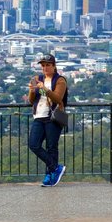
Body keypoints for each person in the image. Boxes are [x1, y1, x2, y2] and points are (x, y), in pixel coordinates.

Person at [26, 53, 69, 187]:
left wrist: (44, 89)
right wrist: (32, 91)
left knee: (52, 147)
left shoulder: (60, 80)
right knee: (33, 144)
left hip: (53, 117)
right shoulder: (36, 79)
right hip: (39, 116)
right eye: (43, 65)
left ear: (54, 66)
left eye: (48, 65)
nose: (45, 68)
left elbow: (58, 99)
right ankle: (56, 168)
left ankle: (50, 176)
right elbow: (31, 101)